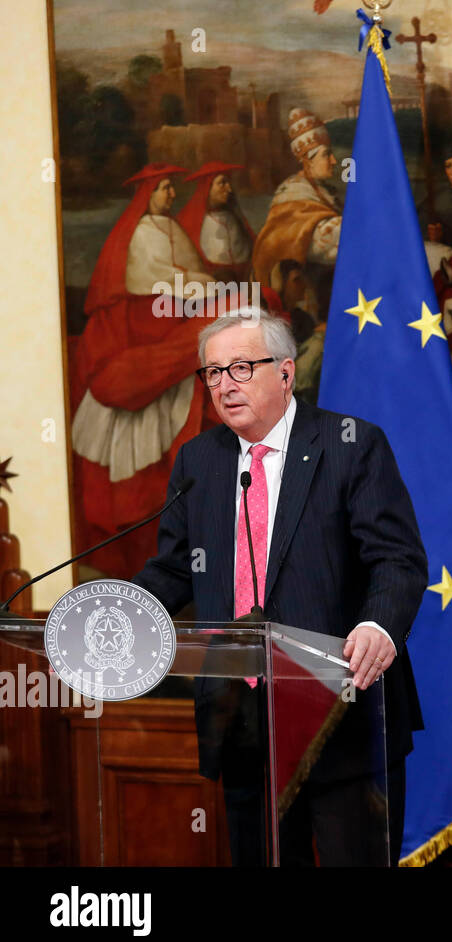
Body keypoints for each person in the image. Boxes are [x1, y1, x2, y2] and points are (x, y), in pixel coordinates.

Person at [133, 308, 427, 866]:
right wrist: (119, 616)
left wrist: (378, 623)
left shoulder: (350, 444)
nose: (224, 385)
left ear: (286, 373)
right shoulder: (200, 461)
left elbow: (397, 558)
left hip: (342, 709)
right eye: (213, 373)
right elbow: (174, 570)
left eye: (241, 368)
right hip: (242, 720)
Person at [70, 163, 218, 579]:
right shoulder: (140, 235)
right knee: (135, 468)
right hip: (146, 348)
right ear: (147, 193)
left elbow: (186, 284)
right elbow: (156, 286)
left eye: (172, 187)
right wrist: (198, 287)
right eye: (165, 188)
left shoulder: (172, 230)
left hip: (171, 341)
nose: (172, 194)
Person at [251, 108, 342, 313]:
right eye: (327, 155)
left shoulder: (323, 191)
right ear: (308, 160)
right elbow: (322, 244)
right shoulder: (292, 194)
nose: (334, 161)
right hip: (303, 301)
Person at [176, 161, 256, 283]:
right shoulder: (190, 221)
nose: (229, 189)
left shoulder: (234, 217)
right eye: (222, 183)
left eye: (229, 183)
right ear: (207, 188)